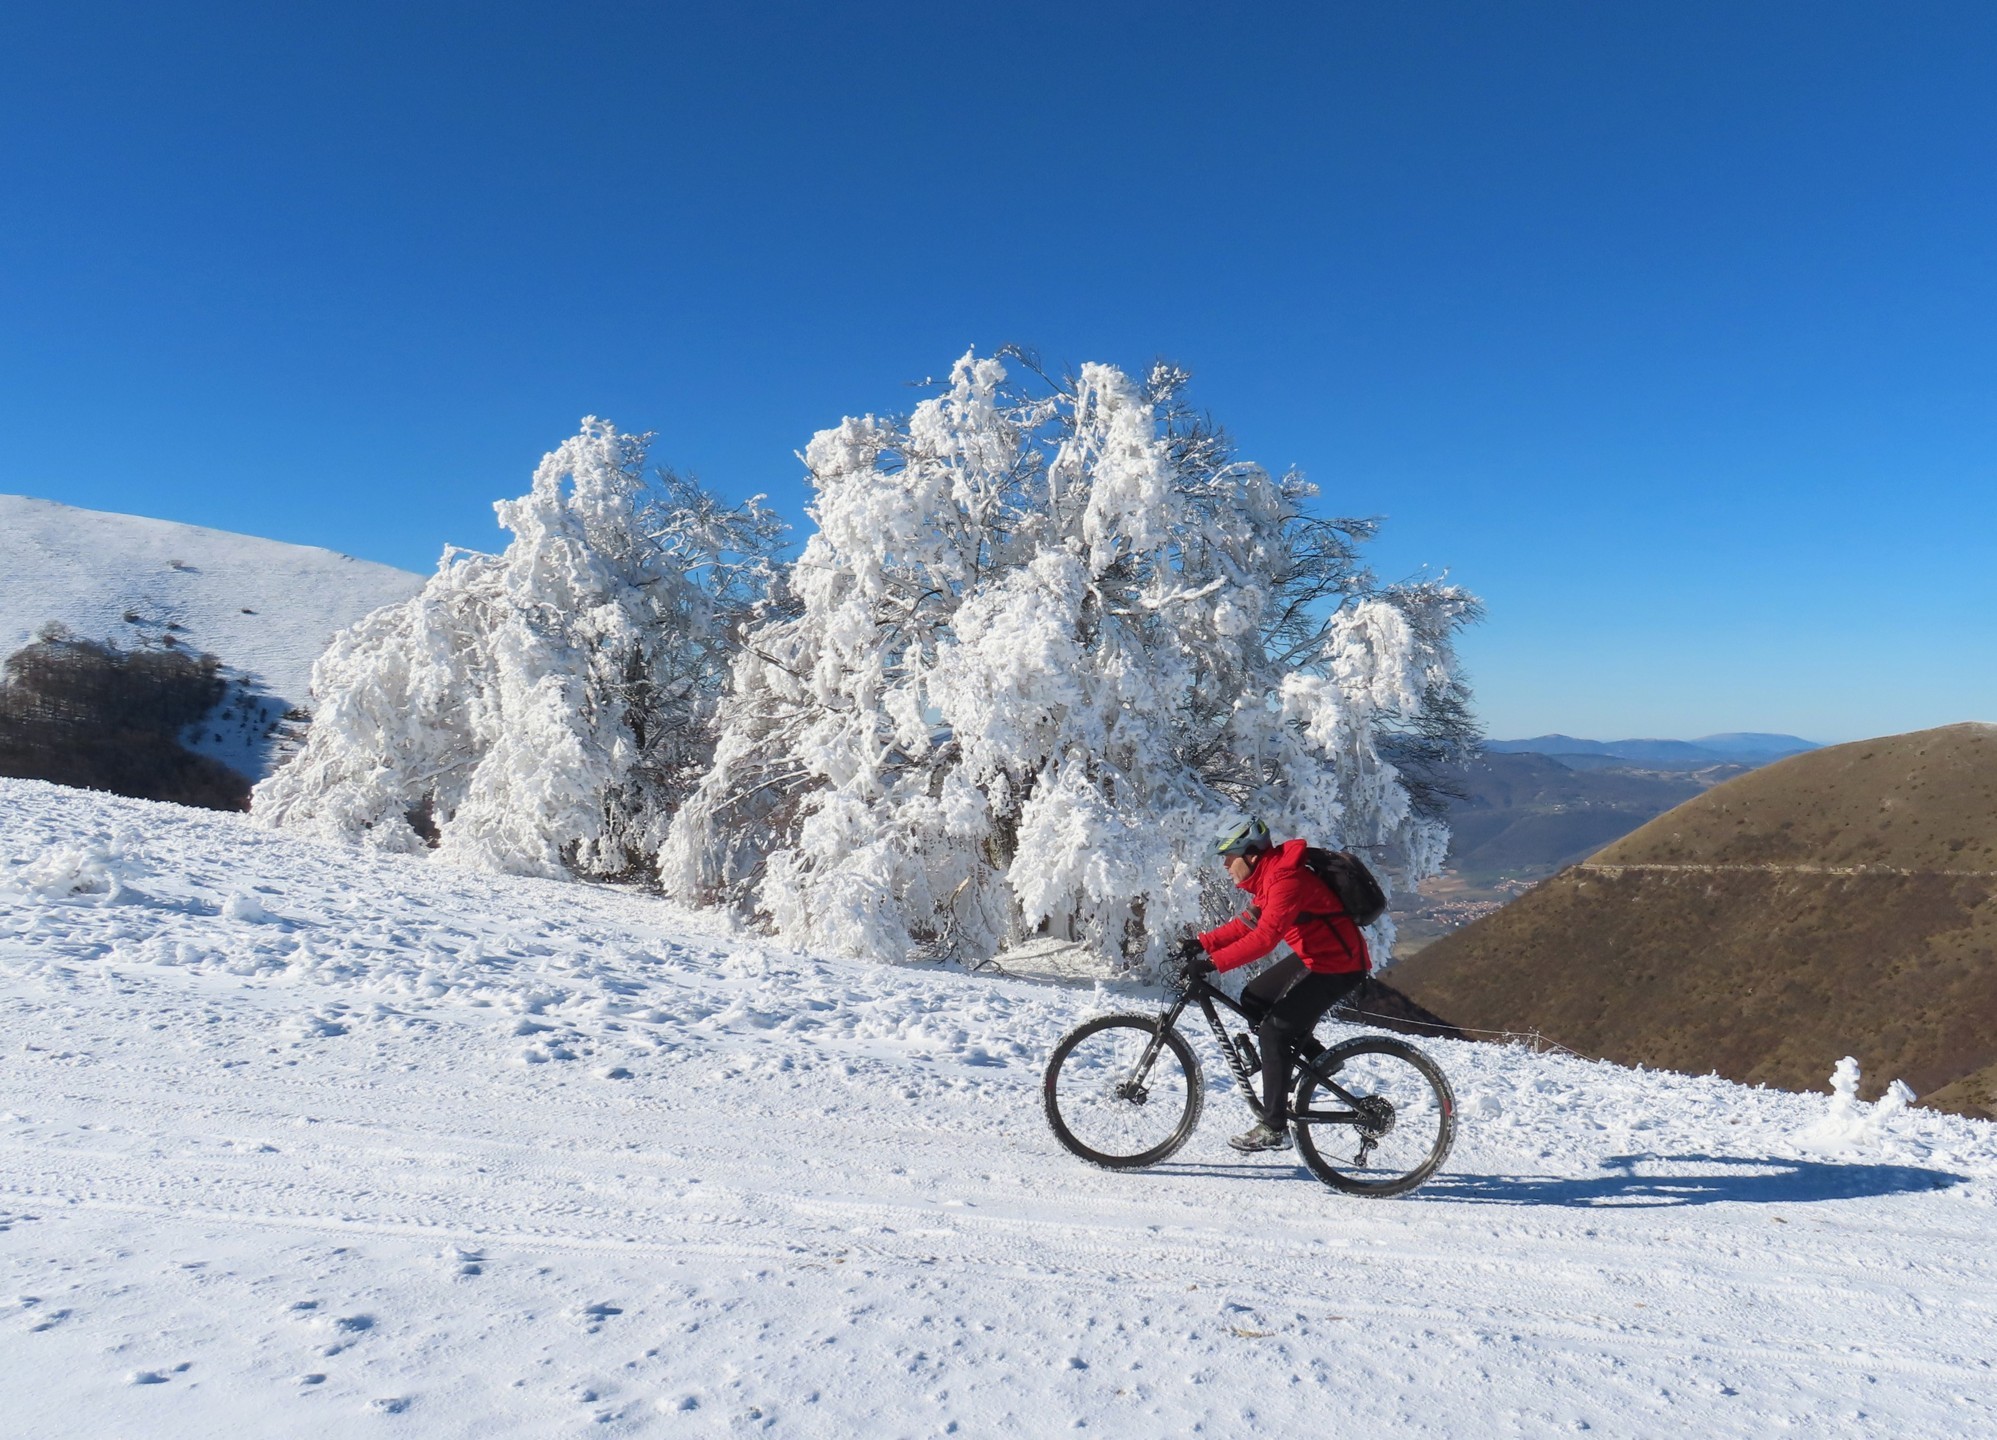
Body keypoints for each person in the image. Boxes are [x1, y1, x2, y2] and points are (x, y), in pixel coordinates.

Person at [1179, 812, 1370, 1153]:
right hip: (1316, 955)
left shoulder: (1285, 880)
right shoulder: (1272, 876)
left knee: (1273, 1032)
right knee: (1253, 998)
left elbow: (1265, 939)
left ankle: (1274, 1127)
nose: (1225, 866)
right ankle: (1316, 1058)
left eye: (1229, 858)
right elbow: (1249, 923)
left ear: (1250, 854)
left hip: (1339, 965)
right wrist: (1204, 943)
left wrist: (1212, 963)